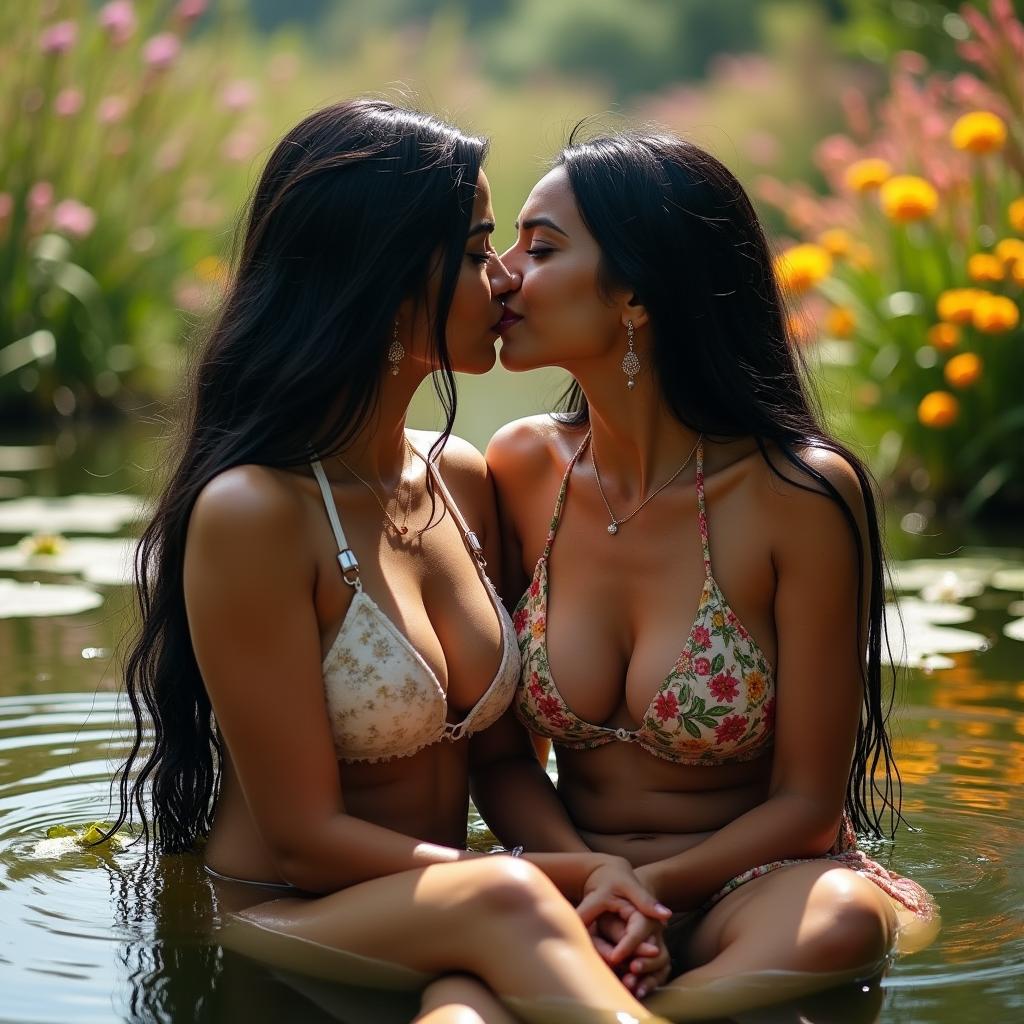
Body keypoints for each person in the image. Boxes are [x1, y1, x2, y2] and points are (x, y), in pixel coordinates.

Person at [104, 101, 672, 1024]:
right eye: (480, 243)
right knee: (509, 900)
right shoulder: (253, 512)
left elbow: (500, 763)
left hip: (449, 912)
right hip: (287, 914)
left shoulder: (461, 477)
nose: (505, 278)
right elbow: (303, 842)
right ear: (385, 271)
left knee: (475, 977)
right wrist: (555, 878)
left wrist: (604, 885)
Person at [478, 128, 935, 1015]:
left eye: (539, 248)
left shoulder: (796, 493)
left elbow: (807, 803)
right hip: (570, 880)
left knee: (844, 920)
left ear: (637, 293)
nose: (502, 274)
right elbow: (501, 762)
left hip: (754, 888)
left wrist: (646, 892)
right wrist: (592, 879)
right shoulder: (521, 469)